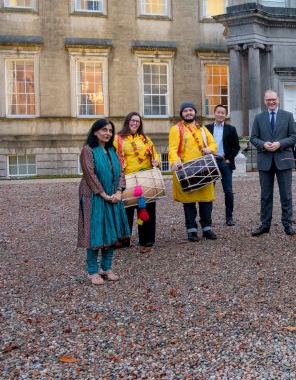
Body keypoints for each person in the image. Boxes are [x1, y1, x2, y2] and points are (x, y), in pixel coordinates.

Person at [78, 119, 130, 285]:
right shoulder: (88, 150)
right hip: (94, 197)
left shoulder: (112, 150)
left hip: (113, 197)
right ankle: (92, 271)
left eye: (110, 130)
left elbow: (121, 172)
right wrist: (103, 194)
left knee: (112, 232)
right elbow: (90, 174)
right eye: (104, 130)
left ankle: (106, 268)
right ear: (95, 132)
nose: (107, 133)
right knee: (96, 232)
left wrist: (119, 191)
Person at [250, 89, 296, 236]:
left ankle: (287, 224)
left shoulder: (288, 116)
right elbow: (253, 138)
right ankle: (265, 225)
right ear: (265, 102)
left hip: (283, 159)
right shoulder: (259, 118)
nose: (271, 102)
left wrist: (280, 143)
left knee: (286, 194)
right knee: (265, 195)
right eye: (268, 100)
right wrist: (263, 144)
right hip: (265, 160)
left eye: (273, 99)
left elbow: (294, 136)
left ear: (278, 99)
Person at [169, 100, 218, 242]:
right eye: (185, 111)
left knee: (206, 200)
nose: (188, 113)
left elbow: (213, 143)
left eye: (191, 110)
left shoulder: (202, 129)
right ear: (182, 114)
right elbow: (172, 148)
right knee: (189, 202)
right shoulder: (176, 129)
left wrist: (210, 149)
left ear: (195, 112)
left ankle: (207, 228)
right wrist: (174, 161)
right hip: (186, 170)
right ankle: (191, 230)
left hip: (204, 168)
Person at [114, 112, 160, 253]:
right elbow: (113, 155)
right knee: (126, 210)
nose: (135, 123)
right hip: (127, 178)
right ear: (127, 121)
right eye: (133, 120)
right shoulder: (118, 138)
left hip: (145, 178)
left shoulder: (145, 139)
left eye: (138, 121)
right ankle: (124, 239)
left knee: (146, 209)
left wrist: (156, 161)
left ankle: (147, 240)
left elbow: (155, 154)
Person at [205, 104, 241, 227]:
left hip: (224, 162)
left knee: (228, 191)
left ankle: (229, 217)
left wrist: (229, 159)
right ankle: (207, 218)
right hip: (211, 163)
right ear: (214, 113)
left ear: (225, 115)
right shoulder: (206, 128)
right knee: (209, 191)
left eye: (223, 113)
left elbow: (236, 146)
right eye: (218, 112)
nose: (220, 115)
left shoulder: (231, 129)